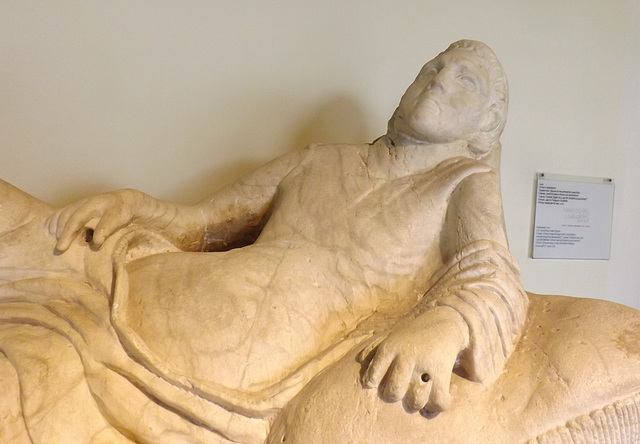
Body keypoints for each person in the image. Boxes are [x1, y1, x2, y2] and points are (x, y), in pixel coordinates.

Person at [13, 40, 633, 443]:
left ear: (487, 123)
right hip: (147, 293)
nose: (439, 81)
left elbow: (488, 272)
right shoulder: (317, 159)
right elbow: (201, 222)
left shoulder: (462, 181)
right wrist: (132, 205)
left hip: (235, 371)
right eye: (432, 68)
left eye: (464, 80)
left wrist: (443, 325)